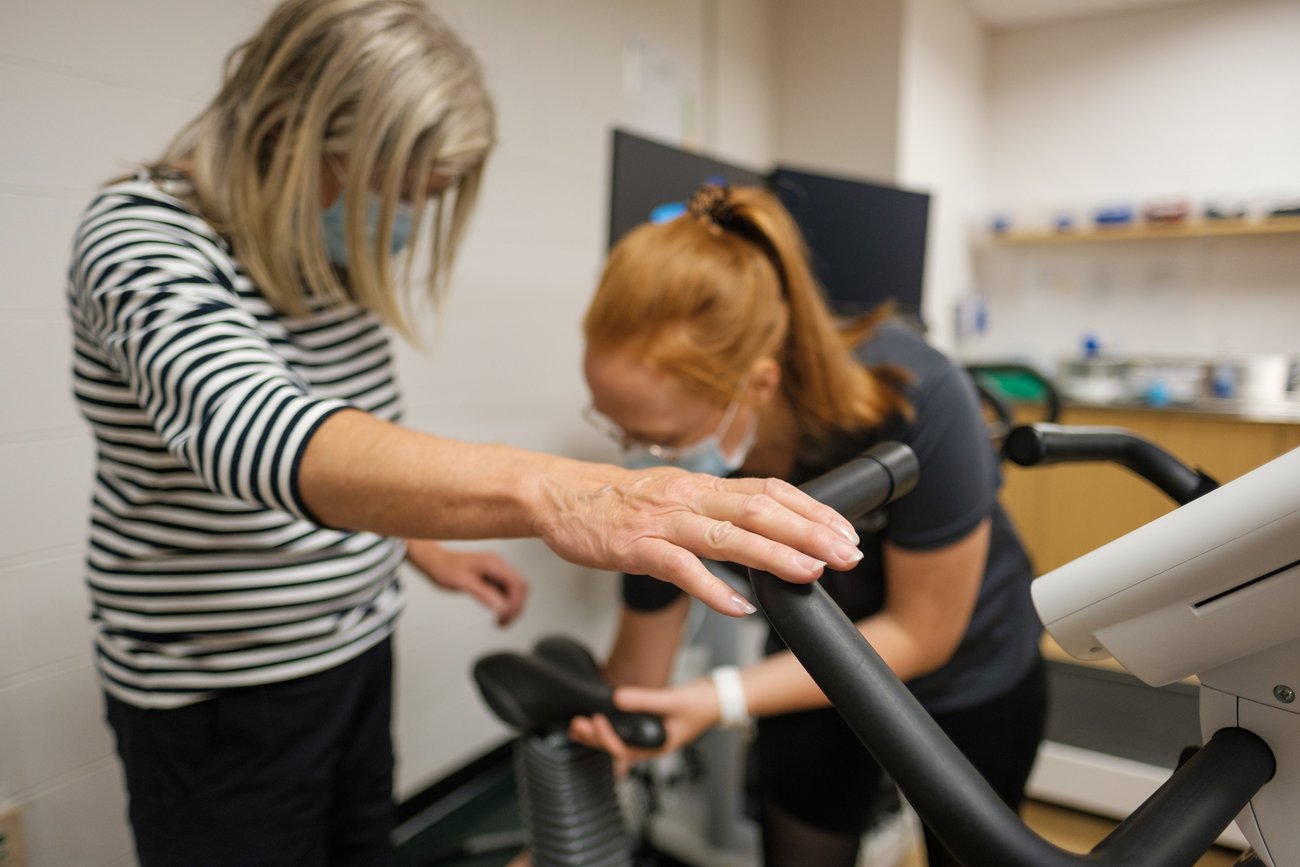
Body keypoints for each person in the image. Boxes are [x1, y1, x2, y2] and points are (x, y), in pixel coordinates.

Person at [65, 4, 863, 865]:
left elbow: (348, 438)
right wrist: (561, 490)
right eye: (397, 190)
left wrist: (419, 545)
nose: (406, 219)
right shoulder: (142, 241)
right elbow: (260, 430)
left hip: (356, 652)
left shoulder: (319, 260)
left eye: (426, 199)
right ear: (292, 132)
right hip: (220, 691)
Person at [569, 184, 1047, 867]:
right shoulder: (680, 468)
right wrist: (576, 801)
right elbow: (636, 677)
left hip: (968, 669)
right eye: (614, 426)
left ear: (756, 387)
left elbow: (924, 631)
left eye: (655, 435)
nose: (636, 457)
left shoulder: (916, 395)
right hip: (812, 669)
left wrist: (720, 696)